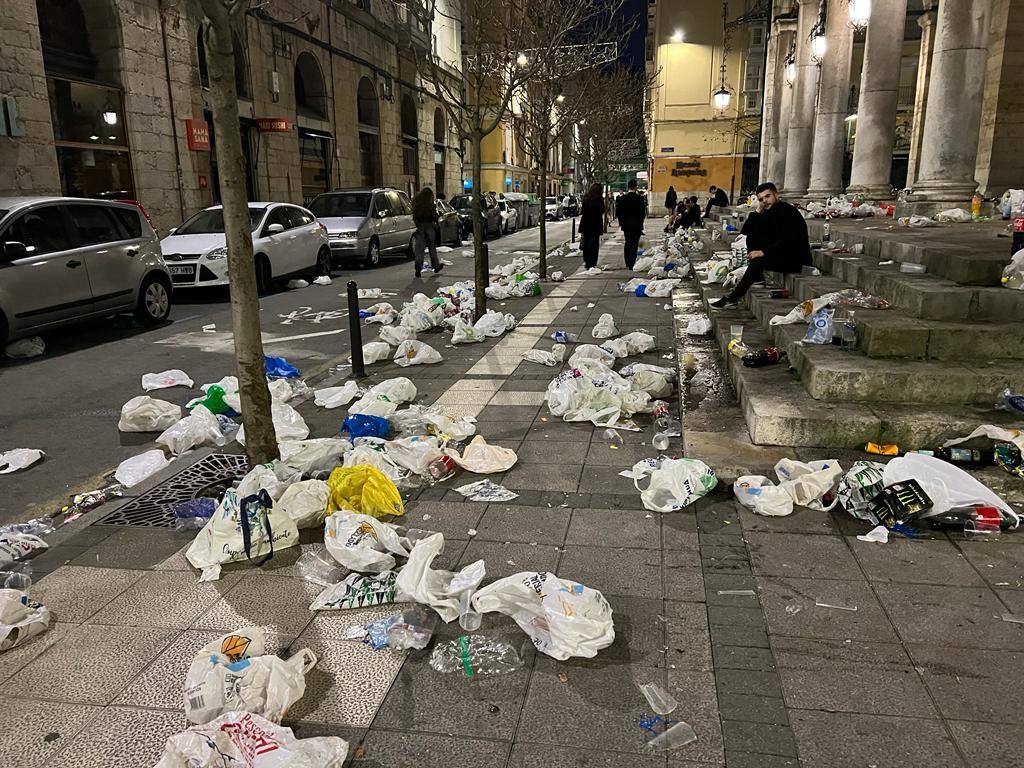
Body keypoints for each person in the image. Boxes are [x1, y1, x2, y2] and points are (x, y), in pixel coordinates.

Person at [710, 182, 811, 307]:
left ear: (776, 195)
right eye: (761, 199)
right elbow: (746, 231)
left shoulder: (787, 212)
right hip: (781, 254)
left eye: (768, 196)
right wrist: (757, 211)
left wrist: (763, 252)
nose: (765, 201)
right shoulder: (770, 212)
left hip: (796, 259)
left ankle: (733, 298)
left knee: (758, 260)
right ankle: (757, 277)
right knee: (753, 235)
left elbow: (789, 241)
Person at [411, 187, 443, 278]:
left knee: (419, 249)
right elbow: (433, 216)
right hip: (429, 227)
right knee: (432, 248)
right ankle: (435, 266)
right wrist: (437, 217)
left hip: (420, 227)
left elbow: (414, 216)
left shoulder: (417, 204)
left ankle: (418, 266)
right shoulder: (430, 204)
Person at [616, 178, 647, 269]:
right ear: (636, 187)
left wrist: (621, 223)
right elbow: (642, 213)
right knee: (634, 243)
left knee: (627, 242)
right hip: (637, 225)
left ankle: (627, 262)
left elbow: (618, 212)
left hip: (626, 225)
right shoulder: (640, 199)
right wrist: (641, 223)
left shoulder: (623, 199)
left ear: (628, 187)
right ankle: (631, 263)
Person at [579, 183, 605, 269]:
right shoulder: (599, 200)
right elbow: (602, 210)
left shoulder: (586, 198)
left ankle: (587, 261)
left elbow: (582, 210)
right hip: (595, 224)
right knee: (594, 244)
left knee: (586, 243)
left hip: (586, 224)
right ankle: (592, 262)